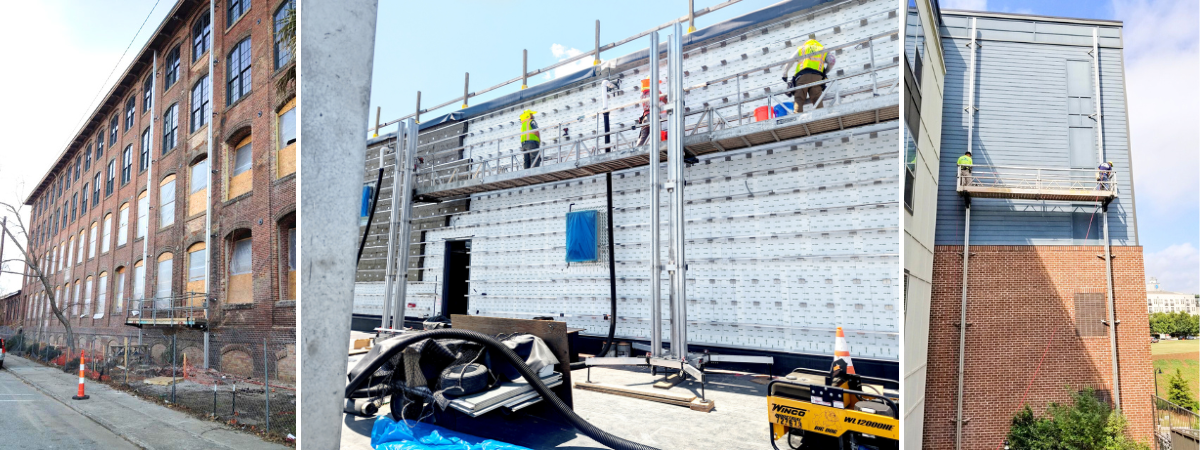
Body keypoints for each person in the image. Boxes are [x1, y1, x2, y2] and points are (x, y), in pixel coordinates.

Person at [782, 39, 836, 113]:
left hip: (802, 77)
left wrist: (785, 74)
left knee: (799, 98)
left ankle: (798, 116)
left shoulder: (802, 49)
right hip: (817, 77)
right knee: (817, 99)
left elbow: (790, 60)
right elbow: (832, 61)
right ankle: (820, 115)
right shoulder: (823, 49)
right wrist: (826, 71)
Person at [635, 79, 667, 147]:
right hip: (653, 116)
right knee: (657, 133)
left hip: (645, 117)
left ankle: (636, 149)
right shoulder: (656, 91)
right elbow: (665, 100)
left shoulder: (642, 94)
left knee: (643, 137)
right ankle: (657, 147)